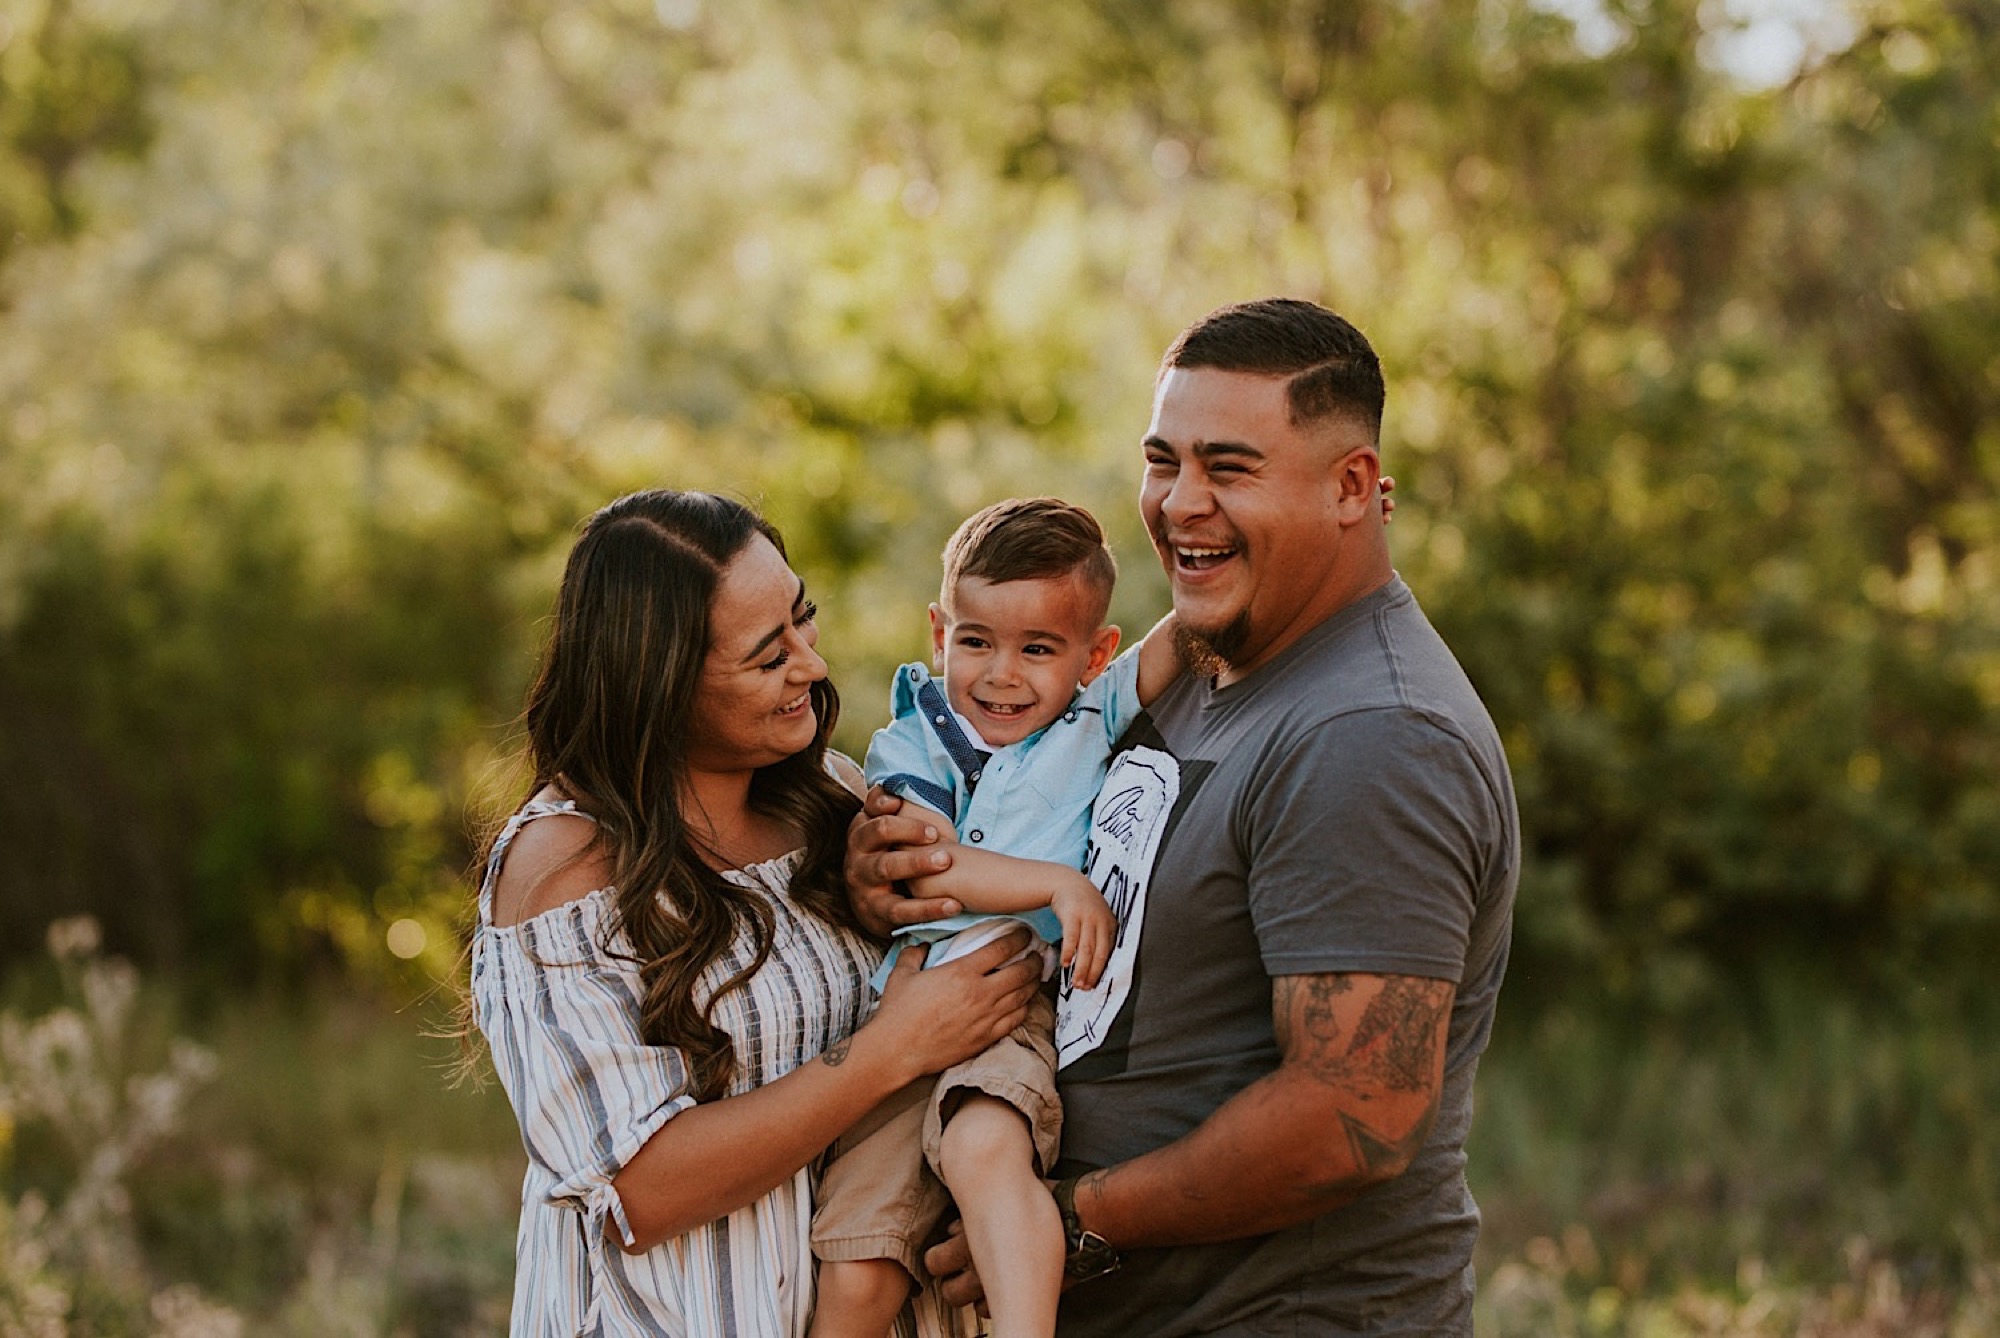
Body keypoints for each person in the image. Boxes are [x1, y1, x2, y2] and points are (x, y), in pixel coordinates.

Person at [849, 298, 1519, 1335]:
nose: (1178, 503)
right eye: (1163, 461)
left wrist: (1072, 1217)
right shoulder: (1208, 654)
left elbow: (1352, 1117)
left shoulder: (1371, 732)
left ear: (1353, 489)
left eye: (1229, 467)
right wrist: (894, 868)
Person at [468, 489, 1044, 1337]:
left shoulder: (837, 798)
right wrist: (890, 1050)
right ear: (658, 683)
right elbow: (638, 1191)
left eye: (803, 622)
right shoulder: (562, 870)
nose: (811, 666)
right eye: (768, 656)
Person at [809, 498, 1180, 1338]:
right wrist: (1057, 883)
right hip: (902, 1018)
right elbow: (931, 858)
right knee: (859, 1261)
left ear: (1096, 654)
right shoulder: (912, 742)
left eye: (1038, 650)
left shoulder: (1094, 719)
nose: (1001, 675)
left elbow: (1187, 634)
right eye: (976, 642)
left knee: (986, 1151)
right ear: (940, 633)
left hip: (1012, 1008)